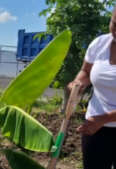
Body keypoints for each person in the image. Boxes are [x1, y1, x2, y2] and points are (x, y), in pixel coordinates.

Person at [68, 7, 116, 169]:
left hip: (98, 121)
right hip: (94, 128)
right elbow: (86, 71)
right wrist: (78, 82)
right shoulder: (100, 43)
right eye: (114, 24)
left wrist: (103, 119)